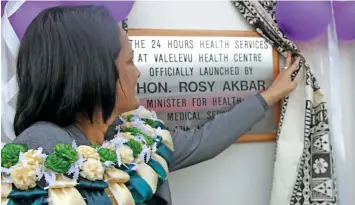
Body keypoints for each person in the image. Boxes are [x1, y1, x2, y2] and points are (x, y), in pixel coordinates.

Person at [12, 5, 300, 205]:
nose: (137, 73)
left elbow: (204, 140)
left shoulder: (131, 136)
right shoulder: (41, 152)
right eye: (129, 61)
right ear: (95, 72)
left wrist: (270, 95)